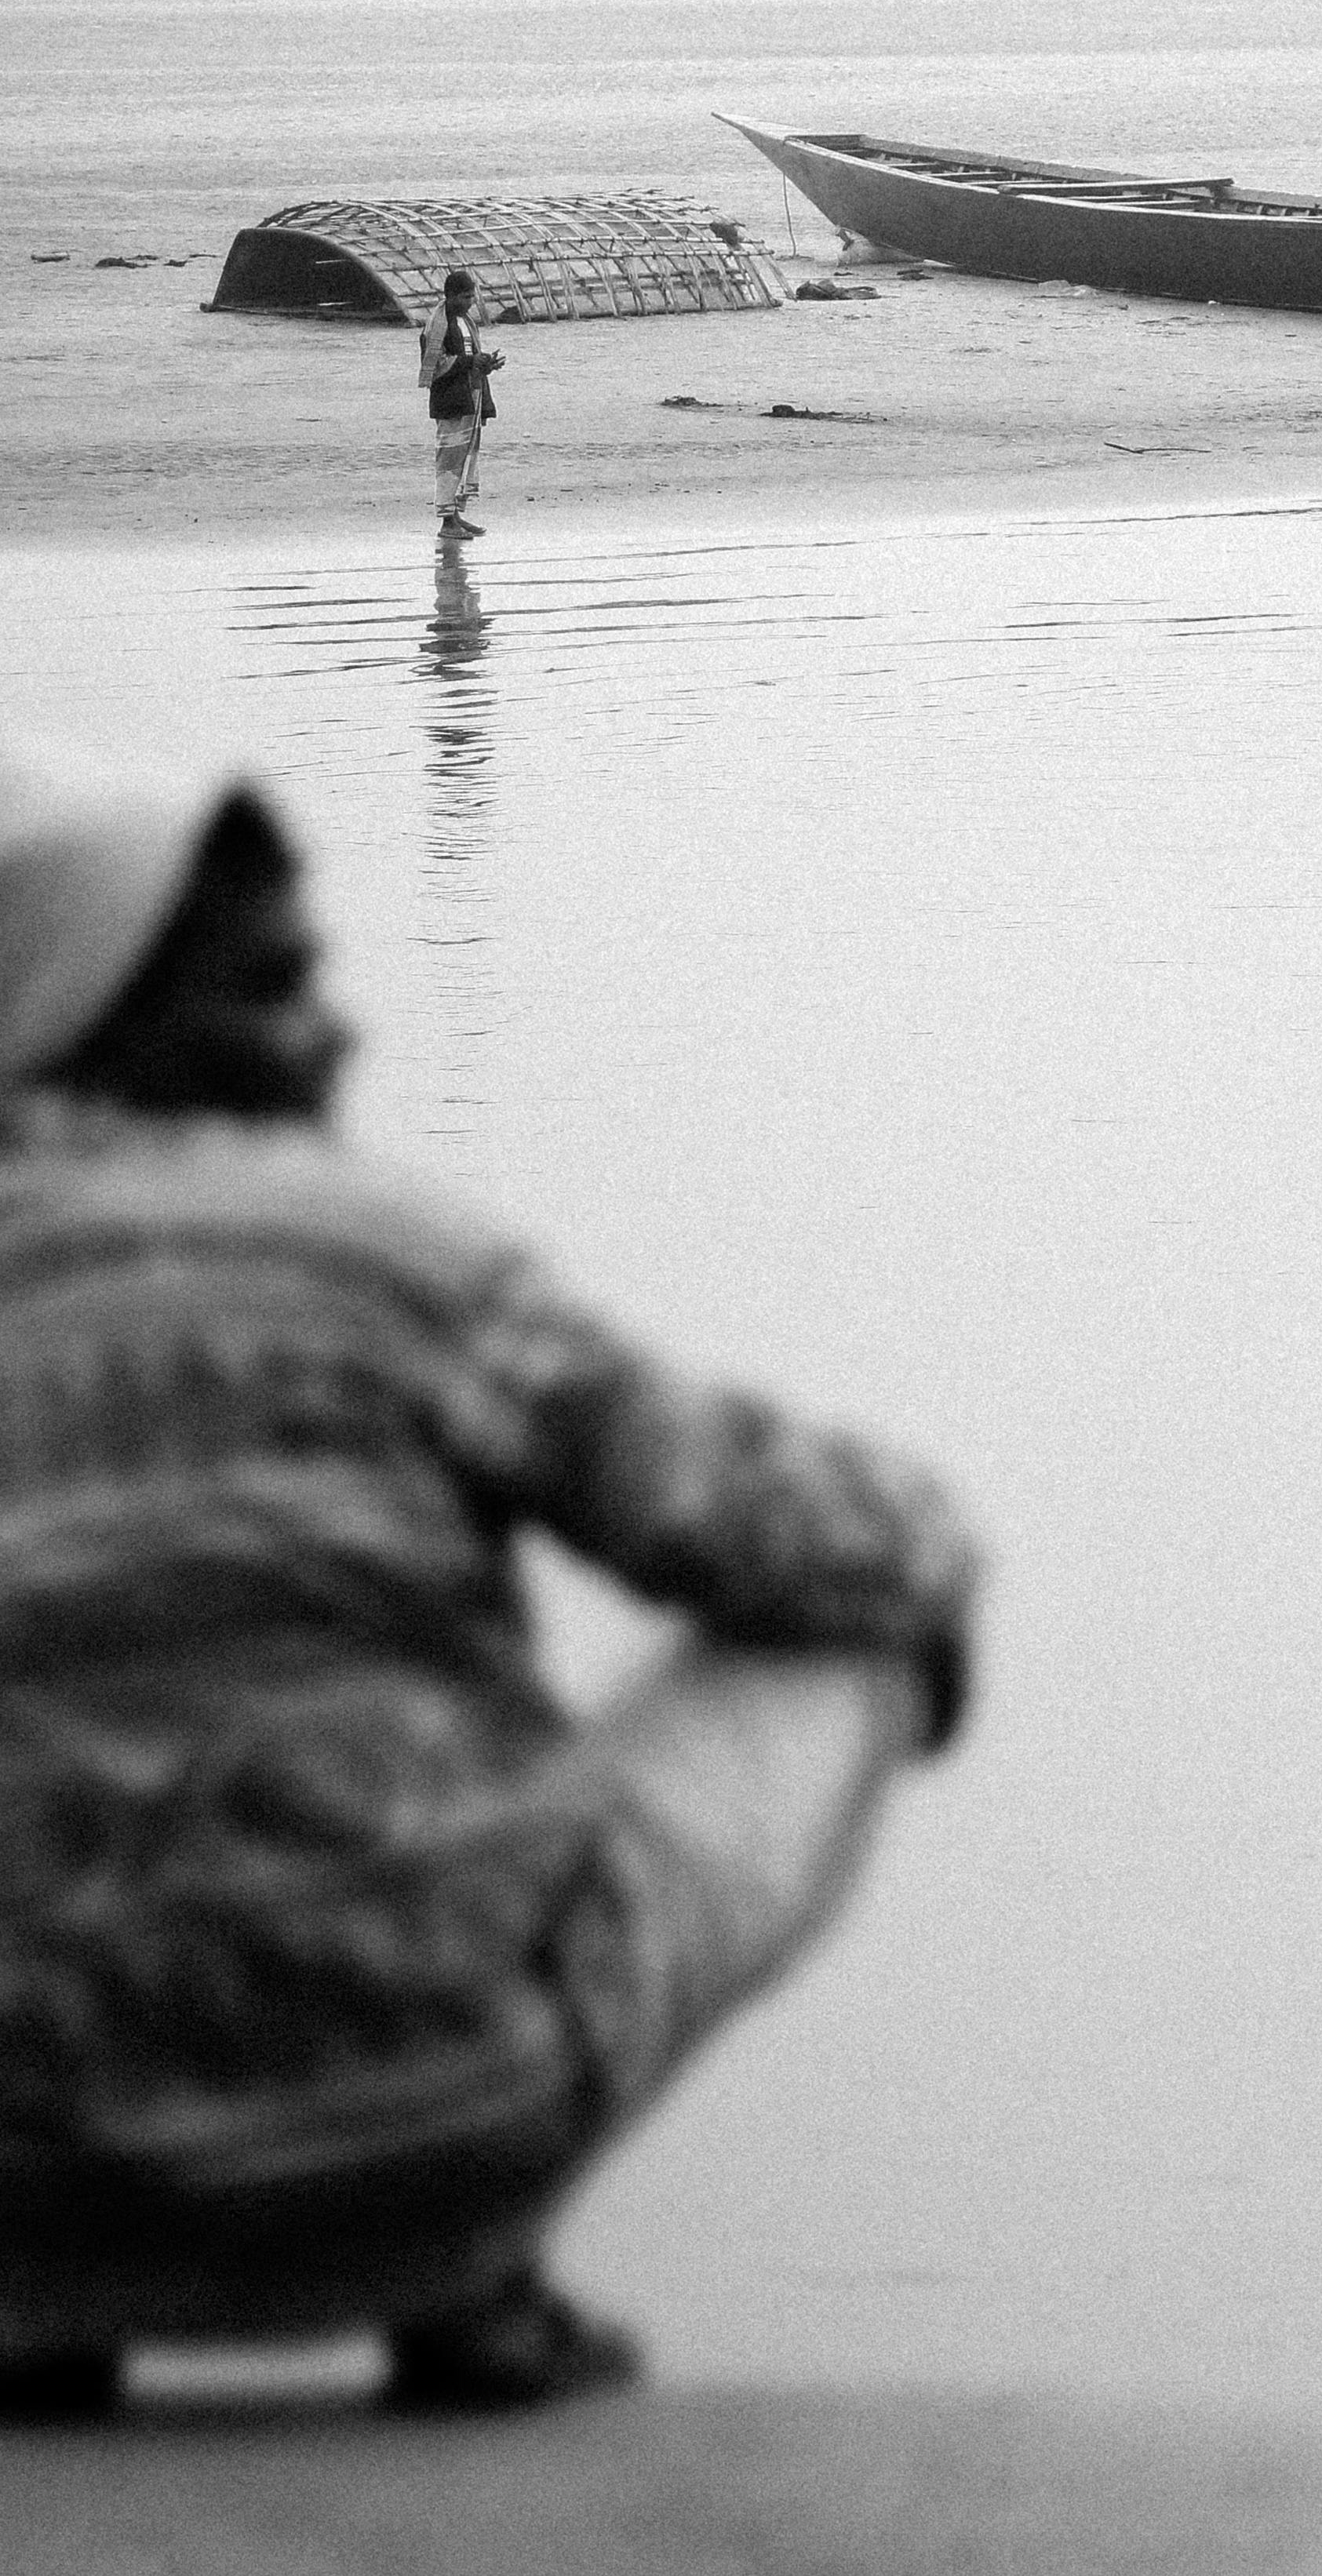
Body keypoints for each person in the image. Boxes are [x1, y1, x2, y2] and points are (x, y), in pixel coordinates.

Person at [0, 741, 978, 2418]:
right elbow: (765, 1528)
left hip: (32, 2166)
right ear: (94, 1018)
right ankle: (467, 2279)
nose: (336, 1032)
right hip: (440, 2128)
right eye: (273, 988)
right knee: (844, 1635)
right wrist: (932, 1572)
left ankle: (52, 2298)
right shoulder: (390, 1252)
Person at [421, 269, 497, 537]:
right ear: (451, 297)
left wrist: (486, 364)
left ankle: (455, 516)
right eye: (466, 296)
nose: (471, 301)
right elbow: (434, 366)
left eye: (473, 295)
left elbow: (468, 358)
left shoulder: (466, 322)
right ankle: (446, 522)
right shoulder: (436, 325)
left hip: (469, 396)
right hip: (450, 401)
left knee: (463, 458)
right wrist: (469, 362)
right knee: (449, 460)